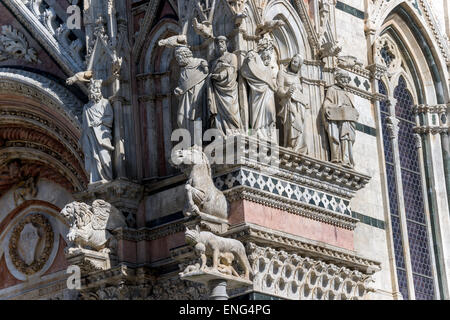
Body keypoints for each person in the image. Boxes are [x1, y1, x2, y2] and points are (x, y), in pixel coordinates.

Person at [240, 40, 277, 143]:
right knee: (257, 115)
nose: (268, 58)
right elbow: (245, 71)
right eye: (266, 55)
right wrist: (250, 57)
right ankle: (257, 133)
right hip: (257, 94)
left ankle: (269, 135)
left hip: (269, 93)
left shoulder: (269, 68)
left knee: (271, 113)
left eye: (269, 56)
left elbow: (275, 84)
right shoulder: (256, 61)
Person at [322, 70, 359, 168]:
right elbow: (327, 102)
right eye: (343, 78)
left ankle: (346, 159)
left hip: (347, 119)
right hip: (339, 119)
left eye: (347, 79)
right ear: (337, 79)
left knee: (347, 138)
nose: (345, 80)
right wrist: (328, 108)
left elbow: (351, 106)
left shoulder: (345, 92)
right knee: (342, 136)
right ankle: (339, 157)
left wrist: (354, 113)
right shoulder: (332, 89)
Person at [81, 79, 114, 183]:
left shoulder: (105, 103)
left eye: (95, 90)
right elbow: (85, 127)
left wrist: (99, 122)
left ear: (99, 91)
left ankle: (107, 178)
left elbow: (109, 118)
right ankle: (96, 179)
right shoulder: (87, 108)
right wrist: (83, 140)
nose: (93, 92)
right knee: (94, 158)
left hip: (102, 137)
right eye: (91, 91)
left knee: (105, 157)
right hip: (91, 137)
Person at [208, 36, 242, 135]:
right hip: (217, 91)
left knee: (231, 109)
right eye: (218, 43)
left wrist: (220, 75)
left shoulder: (232, 56)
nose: (220, 45)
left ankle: (234, 130)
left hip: (229, 88)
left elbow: (233, 70)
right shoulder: (214, 61)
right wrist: (212, 76)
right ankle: (221, 133)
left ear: (226, 44)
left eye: (222, 42)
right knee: (219, 113)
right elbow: (211, 74)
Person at [277, 54, 309, 153]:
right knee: (291, 121)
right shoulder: (282, 73)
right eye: (293, 61)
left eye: (296, 62)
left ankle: (298, 146)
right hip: (288, 102)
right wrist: (286, 93)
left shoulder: (298, 77)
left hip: (300, 104)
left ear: (299, 66)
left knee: (300, 123)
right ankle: (289, 144)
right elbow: (278, 89)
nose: (293, 63)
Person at [174, 45, 209, 136]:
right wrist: (178, 91)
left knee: (197, 117)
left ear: (185, 55)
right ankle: (189, 142)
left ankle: (197, 143)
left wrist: (205, 67)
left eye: (178, 57)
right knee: (180, 120)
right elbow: (181, 86)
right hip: (185, 99)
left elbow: (206, 74)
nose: (177, 60)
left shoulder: (199, 63)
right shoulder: (183, 70)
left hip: (197, 95)